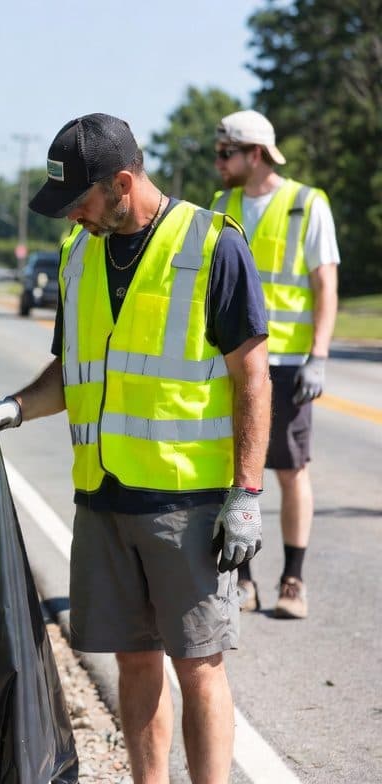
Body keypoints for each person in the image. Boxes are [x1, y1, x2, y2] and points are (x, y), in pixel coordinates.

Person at [0, 113, 270, 783]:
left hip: (189, 507)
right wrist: (10, 409)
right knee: (134, 661)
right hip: (102, 498)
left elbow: (251, 379)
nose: (72, 219)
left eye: (81, 203)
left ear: (122, 183)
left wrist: (248, 493)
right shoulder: (77, 254)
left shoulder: (212, 245)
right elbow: (68, 372)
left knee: (199, 667)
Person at [211, 109, 339, 619]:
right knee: (239, 470)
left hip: (286, 363)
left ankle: (293, 580)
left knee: (288, 470)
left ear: (255, 154)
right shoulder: (222, 204)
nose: (218, 163)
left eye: (225, 154)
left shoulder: (307, 205)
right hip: (234, 360)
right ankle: (243, 581)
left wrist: (320, 356)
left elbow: (325, 284)